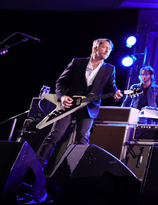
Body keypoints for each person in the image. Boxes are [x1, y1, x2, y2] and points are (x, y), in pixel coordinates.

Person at [36, 38, 123, 167]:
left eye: (109, 49)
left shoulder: (109, 69)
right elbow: (61, 82)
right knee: (55, 134)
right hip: (69, 104)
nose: (107, 51)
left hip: (89, 107)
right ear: (95, 48)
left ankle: (78, 171)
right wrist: (63, 97)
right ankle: (38, 165)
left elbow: (112, 87)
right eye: (105, 47)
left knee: (83, 138)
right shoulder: (77, 63)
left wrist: (117, 94)